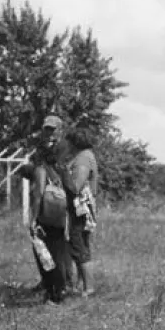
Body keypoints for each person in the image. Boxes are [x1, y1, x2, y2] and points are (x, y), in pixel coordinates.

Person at [27, 145, 70, 304]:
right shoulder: (58, 172)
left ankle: (53, 293)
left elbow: (38, 195)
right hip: (59, 219)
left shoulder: (41, 170)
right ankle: (59, 291)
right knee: (58, 255)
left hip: (45, 219)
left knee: (44, 256)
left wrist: (33, 219)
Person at [62, 127, 98, 296]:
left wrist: (62, 175)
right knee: (80, 246)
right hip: (81, 208)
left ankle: (88, 288)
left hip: (80, 209)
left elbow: (76, 186)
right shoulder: (86, 156)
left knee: (79, 246)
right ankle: (81, 284)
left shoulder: (82, 159)